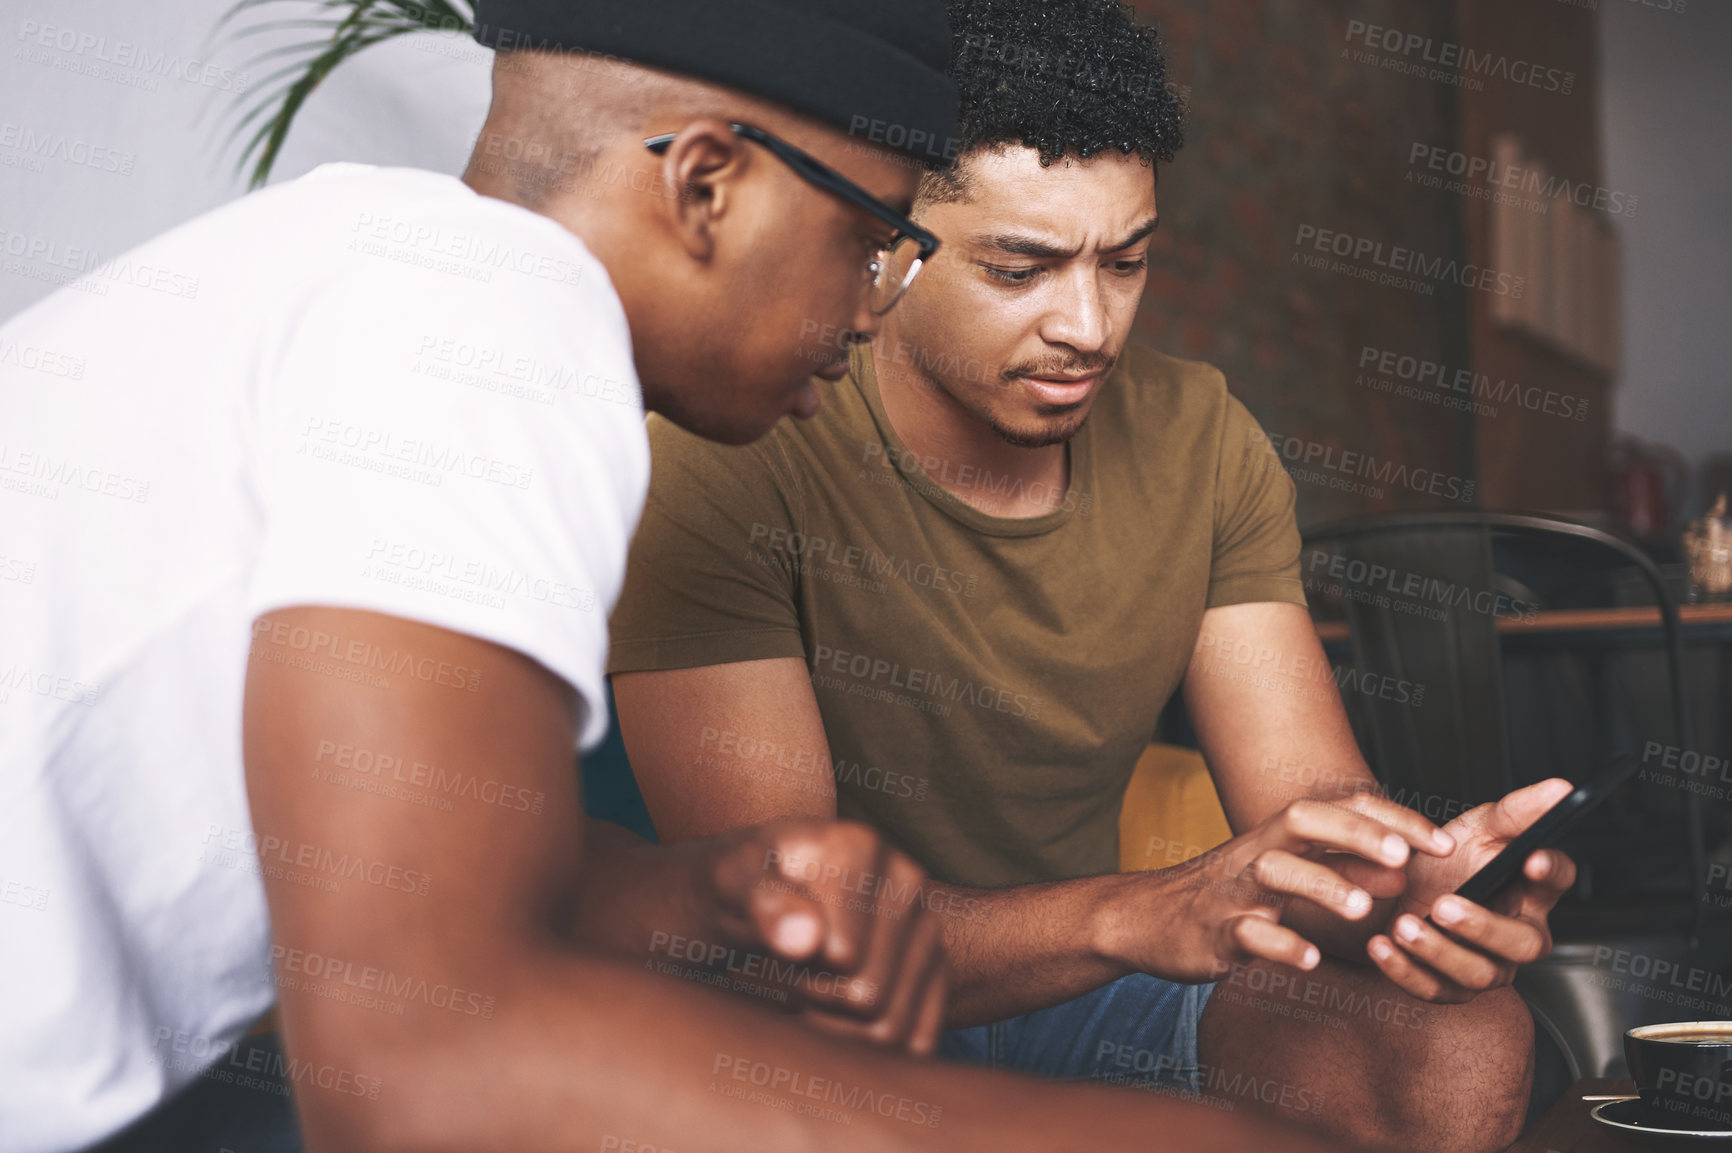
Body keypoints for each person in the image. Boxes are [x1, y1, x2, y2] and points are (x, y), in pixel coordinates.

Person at [0, 2, 1355, 1152]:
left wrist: (696, 898)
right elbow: (422, 1064)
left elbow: (391, 850)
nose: (873, 305)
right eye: (872, 237)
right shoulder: (488, 321)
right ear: (707, 183)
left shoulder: (370, 268)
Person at [606, 1, 1578, 1150]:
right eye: (1021, 267)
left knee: (1454, 1031)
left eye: (1126, 261)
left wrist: (1404, 900)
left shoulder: (1201, 437)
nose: (1088, 325)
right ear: (887, 244)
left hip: (1076, 995)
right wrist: (1135, 912)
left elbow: (1307, 814)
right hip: (802, 1027)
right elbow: (790, 942)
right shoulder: (737, 441)